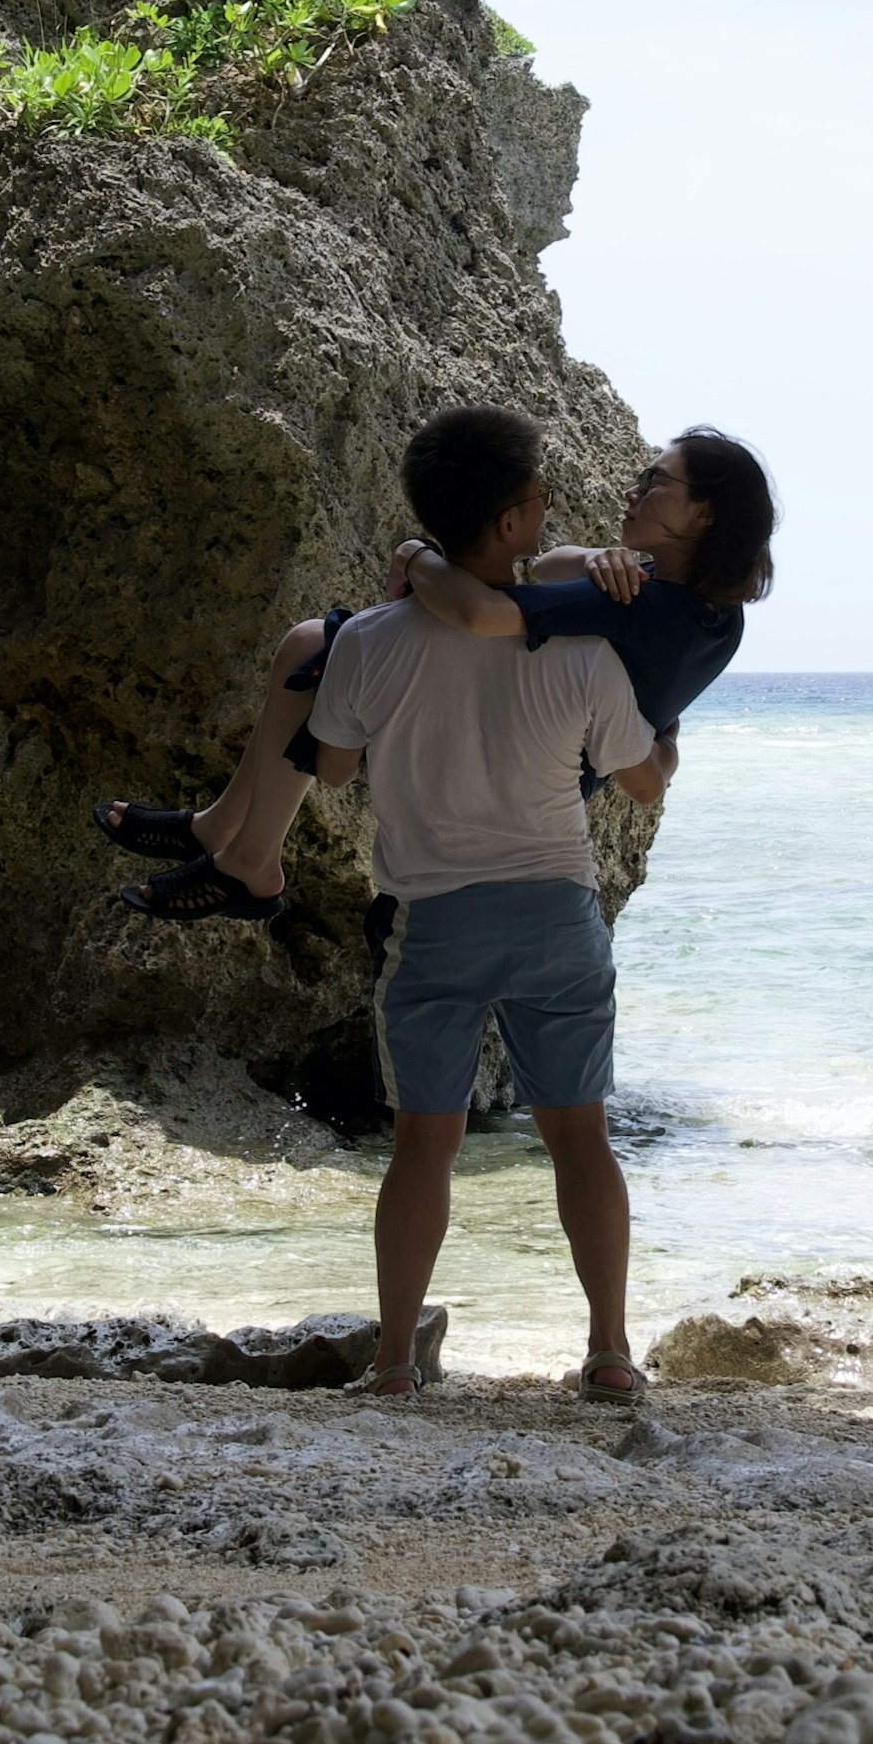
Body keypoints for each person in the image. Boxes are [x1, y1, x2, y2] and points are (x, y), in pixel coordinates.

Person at [273, 405, 666, 1399]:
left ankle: (397, 1361)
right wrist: (666, 723)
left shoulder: (370, 641)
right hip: (555, 914)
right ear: (507, 521)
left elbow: (329, 768)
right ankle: (610, 1351)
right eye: (537, 502)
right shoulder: (580, 645)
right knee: (581, 1134)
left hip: (432, 921)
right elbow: (642, 781)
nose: (546, 515)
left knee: (424, 1144)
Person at [99, 420, 776, 927]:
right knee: (316, 645)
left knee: (314, 649)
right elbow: (548, 567)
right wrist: (606, 554)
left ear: (705, 511)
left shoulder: (633, 604)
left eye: (657, 481)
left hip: (509, 743)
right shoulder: (718, 614)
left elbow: (481, 612)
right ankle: (223, 831)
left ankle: (250, 861)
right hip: (558, 754)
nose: (635, 489)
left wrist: (416, 555)